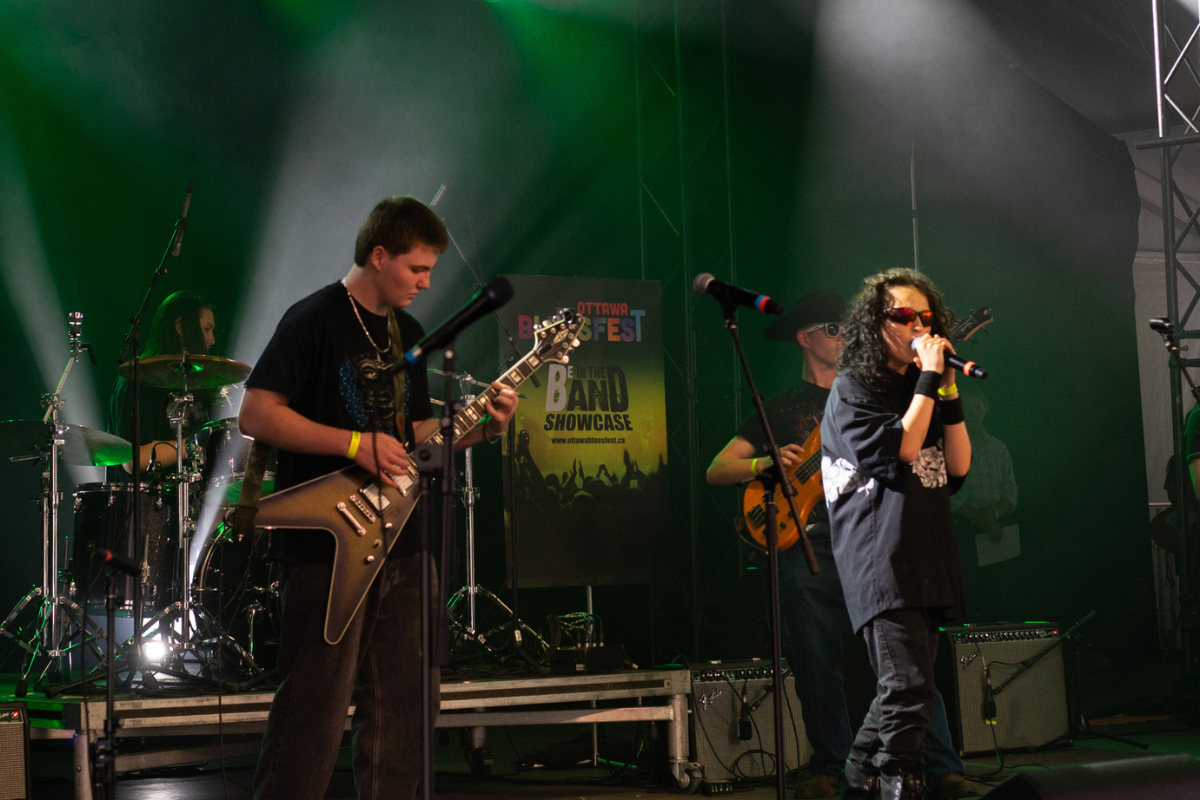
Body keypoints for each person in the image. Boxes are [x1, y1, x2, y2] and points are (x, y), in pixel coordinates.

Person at [239, 196, 519, 800]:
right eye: (416, 269)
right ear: (378, 254)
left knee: (406, 708)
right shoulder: (312, 319)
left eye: (430, 272)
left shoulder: (408, 333)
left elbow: (412, 435)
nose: (425, 282)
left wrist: (483, 427)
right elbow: (256, 413)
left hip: (406, 540)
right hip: (327, 541)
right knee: (312, 707)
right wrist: (352, 444)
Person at [706, 291, 974, 800]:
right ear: (805, 340)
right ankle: (831, 768)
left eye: (847, 327)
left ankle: (940, 766)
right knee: (816, 661)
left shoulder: (871, 391)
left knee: (910, 659)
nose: (844, 335)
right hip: (810, 545)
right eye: (832, 329)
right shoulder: (781, 407)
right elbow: (717, 468)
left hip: (875, 540)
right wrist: (765, 465)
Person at [821, 269, 971, 800]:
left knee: (903, 691)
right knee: (907, 689)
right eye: (904, 316)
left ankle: (857, 781)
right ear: (875, 323)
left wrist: (944, 388)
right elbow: (900, 451)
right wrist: (929, 382)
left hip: (926, 555)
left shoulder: (923, 391)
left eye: (926, 317)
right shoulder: (852, 389)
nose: (918, 326)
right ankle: (897, 786)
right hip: (880, 559)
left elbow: (957, 465)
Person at [109, 289, 219, 476]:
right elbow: (133, 460)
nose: (212, 340)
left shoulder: (199, 381)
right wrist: (196, 443)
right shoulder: (139, 380)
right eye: (206, 329)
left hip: (197, 499)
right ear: (181, 327)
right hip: (151, 501)